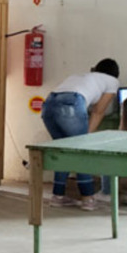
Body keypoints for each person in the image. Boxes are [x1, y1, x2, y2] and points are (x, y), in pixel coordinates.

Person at [41, 58, 120, 210]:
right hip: (71, 105)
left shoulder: (79, 76)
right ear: (115, 73)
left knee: (62, 151)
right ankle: (88, 199)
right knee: (81, 153)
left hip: (48, 106)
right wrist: (86, 137)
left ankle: (57, 197)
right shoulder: (112, 81)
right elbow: (99, 111)